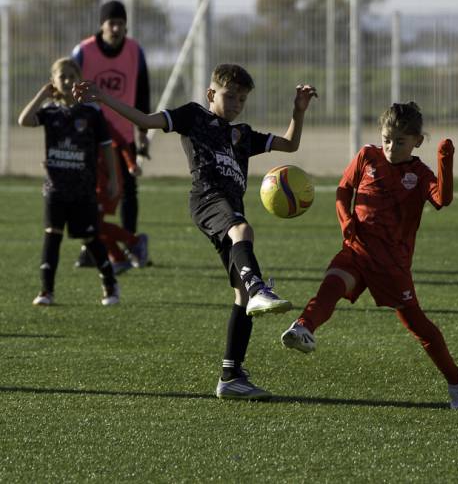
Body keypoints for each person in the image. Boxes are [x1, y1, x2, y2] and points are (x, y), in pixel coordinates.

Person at [74, 63, 317, 400]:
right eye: (230, 96)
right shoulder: (193, 117)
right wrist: (102, 97)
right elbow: (146, 121)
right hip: (207, 198)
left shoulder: (243, 135)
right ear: (211, 94)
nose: (235, 104)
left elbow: (290, 144)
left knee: (241, 295)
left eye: (241, 99)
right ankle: (259, 286)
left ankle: (231, 377)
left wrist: (297, 111)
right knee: (243, 230)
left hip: (228, 206)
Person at [280, 102, 458, 410]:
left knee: (418, 326)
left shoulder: (419, 174)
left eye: (399, 141)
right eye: (386, 138)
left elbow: (442, 199)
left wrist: (444, 161)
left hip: (392, 264)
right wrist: (346, 222)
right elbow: (344, 190)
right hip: (357, 248)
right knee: (331, 285)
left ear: (417, 142)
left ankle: (455, 378)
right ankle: (303, 327)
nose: (390, 147)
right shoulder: (367, 156)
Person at [19, 57, 120, 306]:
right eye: (61, 76)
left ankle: (110, 285)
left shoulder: (91, 112)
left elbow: (107, 147)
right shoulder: (50, 111)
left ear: (79, 81)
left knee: (90, 238)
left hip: (83, 190)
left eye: (71, 76)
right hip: (55, 189)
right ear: (53, 81)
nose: (66, 81)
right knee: (52, 236)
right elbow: (24, 120)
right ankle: (46, 291)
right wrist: (42, 95)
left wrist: (114, 179)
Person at [72, 0, 150, 242]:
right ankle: (90, 246)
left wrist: (142, 132)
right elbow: (70, 90)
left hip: (124, 135)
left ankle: (131, 242)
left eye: (121, 24)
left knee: (129, 190)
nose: (116, 29)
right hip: (90, 136)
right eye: (111, 23)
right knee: (89, 191)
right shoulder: (84, 51)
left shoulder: (135, 51)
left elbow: (142, 93)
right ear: (102, 25)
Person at [95, 144, 149, 274]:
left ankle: (134, 243)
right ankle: (119, 257)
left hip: (104, 184)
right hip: (89, 182)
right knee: (92, 226)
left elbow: (121, 141)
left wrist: (131, 163)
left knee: (93, 224)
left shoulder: (99, 124)